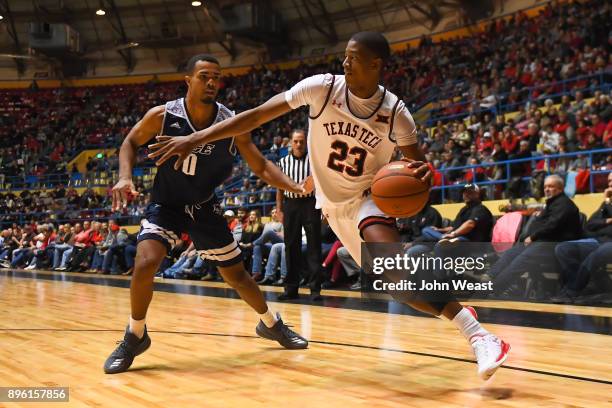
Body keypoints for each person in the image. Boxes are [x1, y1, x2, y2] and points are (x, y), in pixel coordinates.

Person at [149, 32, 510, 380]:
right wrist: (194, 138)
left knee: (393, 267)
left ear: (375, 64)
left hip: (370, 197)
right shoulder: (322, 88)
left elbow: (420, 166)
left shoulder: (396, 113)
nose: (345, 63)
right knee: (398, 286)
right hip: (332, 206)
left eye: (353, 58)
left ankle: (480, 335)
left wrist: (422, 177)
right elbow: (257, 115)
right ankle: (465, 317)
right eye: (345, 56)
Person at [103, 54, 309, 375]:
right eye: (204, 76)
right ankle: (135, 335)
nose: (212, 82)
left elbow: (261, 166)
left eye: (216, 76)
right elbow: (130, 142)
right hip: (166, 205)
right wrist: (125, 176)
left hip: (204, 207)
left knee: (238, 276)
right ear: (189, 80)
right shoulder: (162, 115)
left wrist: (294, 187)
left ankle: (271, 324)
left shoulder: (231, 123)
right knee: (145, 262)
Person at [276, 129, 322, 300]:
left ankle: (315, 289)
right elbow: (279, 187)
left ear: (306, 142)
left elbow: (322, 186)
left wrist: (323, 206)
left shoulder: (314, 161)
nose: (298, 144)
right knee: (290, 246)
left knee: (314, 246)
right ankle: (291, 288)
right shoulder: (283, 162)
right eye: (295, 141)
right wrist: (279, 209)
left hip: (311, 204)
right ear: (291, 143)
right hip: (291, 205)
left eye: (301, 141)